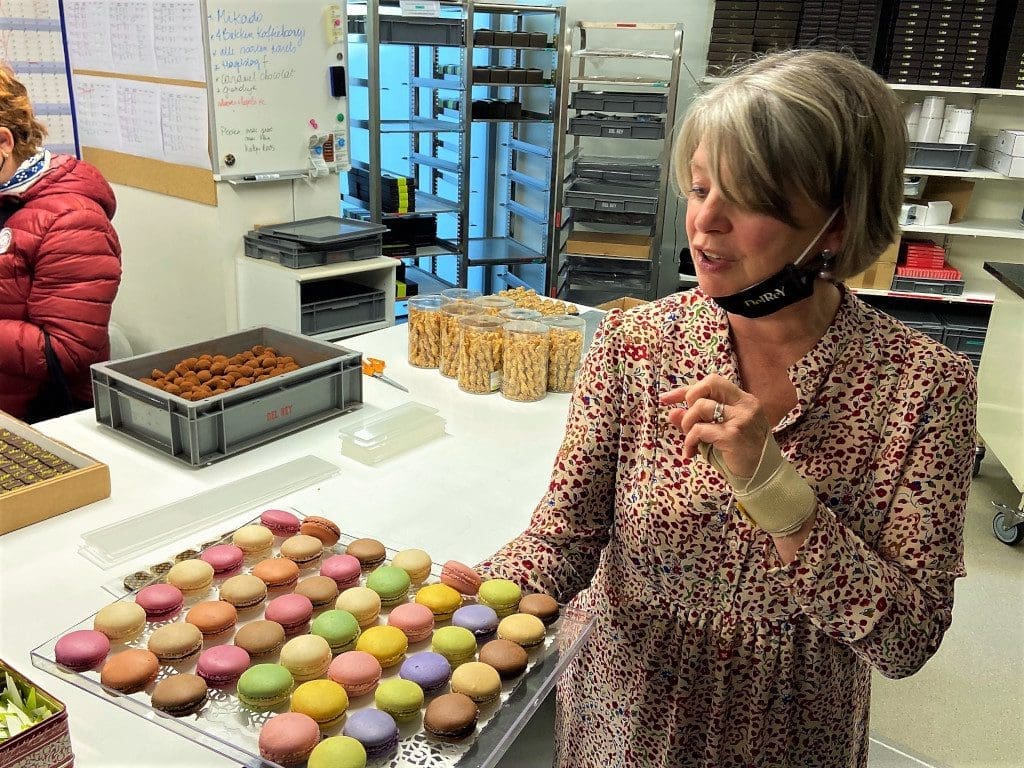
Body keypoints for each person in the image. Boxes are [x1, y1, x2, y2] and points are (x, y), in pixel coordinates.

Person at [480, 49, 977, 767]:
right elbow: (563, 538)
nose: (705, 222)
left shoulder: (924, 389)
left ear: (835, 223)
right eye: (700, 187)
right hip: (624, 716)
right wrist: (455, 611)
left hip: (788, 734)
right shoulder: (635, 343)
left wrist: (779, 496)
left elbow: (906, 641)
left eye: (745, 200)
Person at [0, 65, 122, 421]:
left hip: (44, 417)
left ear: (4, 143)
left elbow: (67, 350)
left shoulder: (73, 219)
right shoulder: (6, 196)